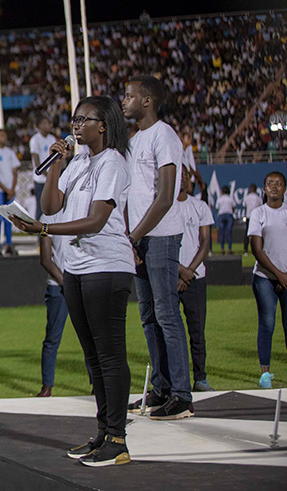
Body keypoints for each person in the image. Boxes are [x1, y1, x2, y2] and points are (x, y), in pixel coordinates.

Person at [12, 96, 135, 467]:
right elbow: (51, 205)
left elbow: (96, 220)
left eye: (85, 119)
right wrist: (56, 166)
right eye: (74, 118)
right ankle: (102, 432)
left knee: (110, 355)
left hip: (107, 265)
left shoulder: (112, 162)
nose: (76, 125)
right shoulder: (77, 160)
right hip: (78, 267)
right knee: (93, 356)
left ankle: (118, 438)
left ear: (105, 125)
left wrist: (44, 229)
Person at [123, 75, 194, 420]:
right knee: (149, 317)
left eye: (129, 96)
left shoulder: (164, 136)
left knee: (167, 314)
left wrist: (134, 236)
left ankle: (182, 394)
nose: (124, 101)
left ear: (147, 101)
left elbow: (166, 197)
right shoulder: (134, 140)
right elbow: (130, 196)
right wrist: (129, 235)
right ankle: (162, 388)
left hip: (161, 237)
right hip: (139, 238)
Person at [176, 166, 215, 392]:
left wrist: (189, 271)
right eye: (178, 174)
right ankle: (174, 381)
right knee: (171, 333)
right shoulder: (163, 207)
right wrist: (180, 271)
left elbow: (205, 243)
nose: (182, 179)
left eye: (186, 175)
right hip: (172, 277)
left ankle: (200, 378)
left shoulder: (200, 206)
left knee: (197, 332)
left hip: (195, 278)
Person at [248, 171, 287, 389]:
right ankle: (265, 374)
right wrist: (279, 274)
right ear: (264, 189)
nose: (274, 187)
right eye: (270, 183)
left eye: (278, 184)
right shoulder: (258, 213)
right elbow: (256, 248)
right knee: (267, 324)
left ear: (284, 189)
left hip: (286, 276)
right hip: (264, 277)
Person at [36, 212, 68, 398]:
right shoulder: (48, 217)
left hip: (84, 282)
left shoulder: (85, 207)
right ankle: (47, 386)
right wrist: (65, 282)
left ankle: (96, 384)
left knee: (89, 338)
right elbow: (45, 259)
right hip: (58, 286)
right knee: (52, 339)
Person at [0, 129, 21, 255]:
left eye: (5, 135)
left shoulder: (10, 153)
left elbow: (15, 171)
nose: (3, 138)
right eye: (1, 135)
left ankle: (8, 243)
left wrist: (11, 188)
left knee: (10, 218)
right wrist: (6, 188)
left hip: (9, 190)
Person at [29, 117, 57, 219]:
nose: (50, 125)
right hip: (40, 179)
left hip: (50, 177)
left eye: (50, 123)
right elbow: (36, 161)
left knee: (52, 205)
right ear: (40, 126)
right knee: (41, 206)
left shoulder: (52, 139)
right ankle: (39, 232)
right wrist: (47, 174)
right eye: (46, 123)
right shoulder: (35, 140)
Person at [243, 183, 263, 255]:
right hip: (256, 218)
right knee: (257, 233)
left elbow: (245, 206)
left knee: (247, 234)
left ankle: (245, 249)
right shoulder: (258, 198)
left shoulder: (247, 197)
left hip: (249, 217)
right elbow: (261, 208)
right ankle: (257, 249)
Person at [215, 185, 235, 254]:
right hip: (229, 215)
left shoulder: (220, 199)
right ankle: (229, 248)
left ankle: (222, 249)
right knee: (229, 233)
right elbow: (233, 207)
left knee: (222, 233)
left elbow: (217, 208)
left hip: (221, 215)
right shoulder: (230, 199)